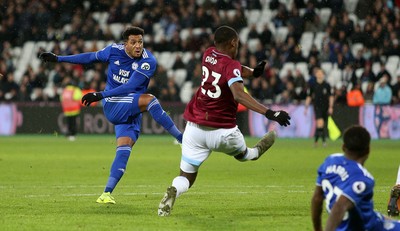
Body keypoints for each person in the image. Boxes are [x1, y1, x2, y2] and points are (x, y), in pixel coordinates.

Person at [39, 26, 183, 204]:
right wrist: (58, 58)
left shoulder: (148, 61)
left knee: (124, 149)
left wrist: (99, 94)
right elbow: (89, 57)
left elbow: (130, 87)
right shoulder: (113, 51)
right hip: (113, 104)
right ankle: (182, 140)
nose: (138, 46)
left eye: (140, 42)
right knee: (151, 100)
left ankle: (106, 193)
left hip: (129, 107)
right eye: (133, 42)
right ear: (125, 44)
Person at [157, 25, 291, 216]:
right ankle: (259, 149)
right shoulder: (232, 65)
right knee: (246, 155)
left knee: (186, 176)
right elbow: (238, 94)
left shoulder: (208, 54)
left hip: (194, 129)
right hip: (223, 132)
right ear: (233, 42)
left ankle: (174, 191)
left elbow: (232, 70)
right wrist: (270, 113)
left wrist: (253, 72)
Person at [311, 125, 400, 231]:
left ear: (343, 147)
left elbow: (317, 198)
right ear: (368, 150)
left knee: (382, 218)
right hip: (365, 227)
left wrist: (317, 229)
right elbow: (340, 206)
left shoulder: (330, 161)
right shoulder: (364, 179)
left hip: (367, 218)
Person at [305, 67, 334, 147]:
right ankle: (323, 142)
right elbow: (309, 96)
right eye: (318, 73)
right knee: (320, 123)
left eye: (321, 73)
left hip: (326, 107)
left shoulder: (327, 85)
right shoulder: (313, 85)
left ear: (323, 75)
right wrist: (306, 107)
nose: (320, 74)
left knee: (322, 125)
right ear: (316, 74)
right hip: (317, 107)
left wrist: (331, 107)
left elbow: (331, 96)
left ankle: (316, 142)